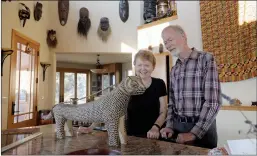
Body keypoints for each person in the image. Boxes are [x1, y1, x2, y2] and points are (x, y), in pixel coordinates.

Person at [160, 25, 222, 149]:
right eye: (165, 42)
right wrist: (169, 125)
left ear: (183, 36)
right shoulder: (174, 69)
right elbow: (172, 103)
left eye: (170, 40)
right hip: (178, 129)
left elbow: (213, 102)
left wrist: (194, 133)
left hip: (202, 131)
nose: (167, 45)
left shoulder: (206, 59)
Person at [126, 50, 168, 139]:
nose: (143, 69)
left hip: (153, 135)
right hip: (131, 137)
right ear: (135, 66)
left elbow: (163, 111)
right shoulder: (127, 84)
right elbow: (115, 109)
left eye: (147, 65)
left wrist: (155, 127)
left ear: (153, 67)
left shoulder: (159, 84)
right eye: (139, 65)